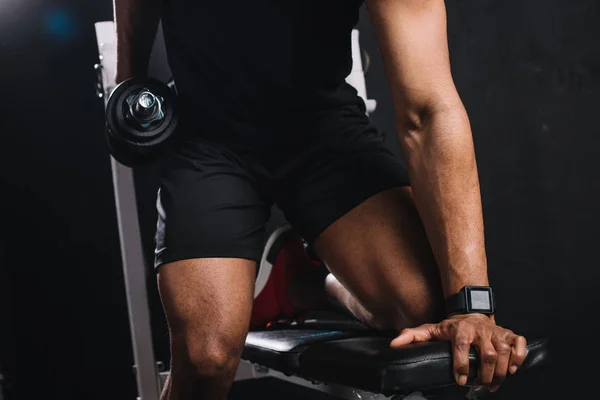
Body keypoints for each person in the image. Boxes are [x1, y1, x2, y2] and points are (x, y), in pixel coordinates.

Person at [114, 0, 528, 399]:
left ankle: (304, 281)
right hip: (209, 137)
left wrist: (471, 305)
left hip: (320, 132)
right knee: (206, 358)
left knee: (427, 305)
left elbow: (428, 110)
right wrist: (127, 82)